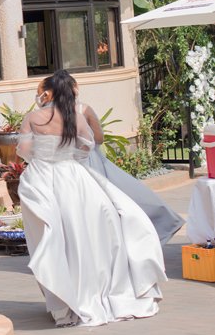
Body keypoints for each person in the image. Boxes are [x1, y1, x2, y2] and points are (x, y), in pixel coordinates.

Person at [17, 69, 165, 328]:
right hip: (75, 178)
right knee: (87, 236)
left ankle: (66, 300)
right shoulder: (75, 115)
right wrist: (67, 157)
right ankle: (98, 293)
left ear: (48, 93)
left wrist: (43, 157)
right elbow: (88, 145)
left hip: (43, 178)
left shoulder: (33, 117)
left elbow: (24, 150)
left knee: (55, 238)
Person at [71, 83, 183, 244]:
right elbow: (98, 138)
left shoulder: (71, 111)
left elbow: (97, 138)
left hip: (81, 162)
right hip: (82, 162)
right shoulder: (75, 111)